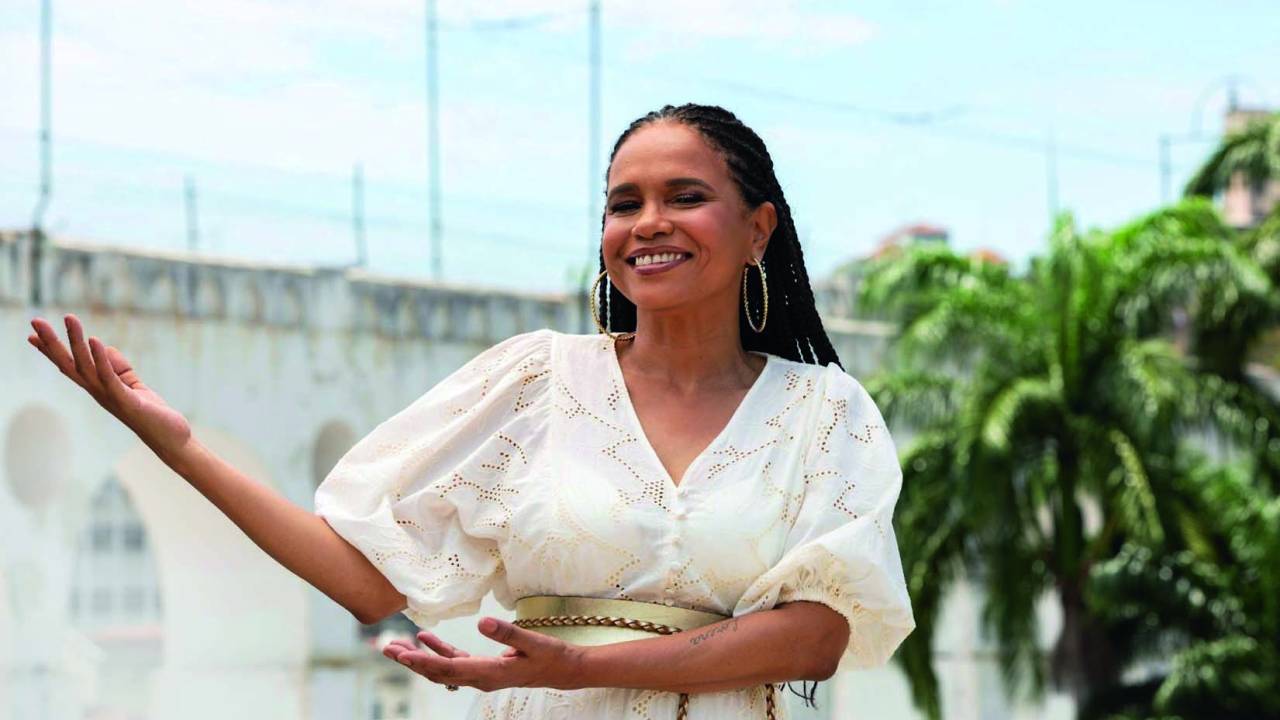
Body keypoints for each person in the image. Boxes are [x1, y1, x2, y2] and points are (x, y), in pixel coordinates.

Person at [26, 103, 915, 719]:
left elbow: (814, 636)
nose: (649, 223)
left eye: (685, 197)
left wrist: (581, 666)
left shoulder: (821, 413)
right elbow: (371, 578)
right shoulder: (534, 383)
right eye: (623, 203)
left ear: (759, 228)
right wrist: (181, 449)